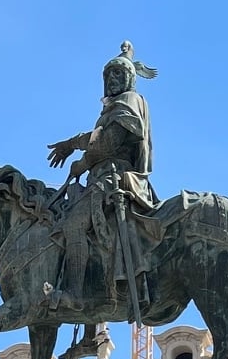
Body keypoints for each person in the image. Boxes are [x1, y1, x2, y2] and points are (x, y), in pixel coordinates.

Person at [46, 51, 159, 311]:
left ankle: (74, 294)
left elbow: (109, 142)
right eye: (108, 74)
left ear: (131, 78)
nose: (112, 78)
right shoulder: (112, 108)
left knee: (74, 225)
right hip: (103, 178)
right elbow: (97, 136)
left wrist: (82, 163)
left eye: (119, 73)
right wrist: (70, 144)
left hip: (115, 178)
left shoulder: (130, 100)